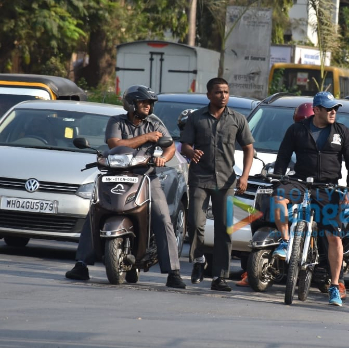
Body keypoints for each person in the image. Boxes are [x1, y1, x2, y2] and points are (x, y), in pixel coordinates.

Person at [65, 85, 186, 289]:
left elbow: (170, 146)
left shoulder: (155, 123)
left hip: (146, 177)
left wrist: (163, 159)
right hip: (115, 175)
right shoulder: (116, 121)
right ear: (131, 104)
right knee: (94, 212)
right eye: (143, 102)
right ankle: (81, 264)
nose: (148, 106)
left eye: (150, 103)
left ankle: (173, 272)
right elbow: (115, 144)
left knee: (163, 218)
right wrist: (147, 138)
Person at [271, 91, 349, 306]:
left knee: (333, 237)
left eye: (335, 109)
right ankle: (285, 242)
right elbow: (282, 156)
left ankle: (334, 286)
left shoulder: (343, 132)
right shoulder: (297, 130)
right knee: (277, 197)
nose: (333, 112)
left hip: (328, 188)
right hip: (301, 182)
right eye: (329, 109)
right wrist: (278, 181)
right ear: (316, 110)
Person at [180, 78, 254, 292]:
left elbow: (249, 147)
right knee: (195, 222)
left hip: (226, 181)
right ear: (209, 95)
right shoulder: (196, 118)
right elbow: (185, 145)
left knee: (224, 229)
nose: (223, 96)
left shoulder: (237, 119)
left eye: (226, 92)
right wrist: (191, 152)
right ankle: (199, 259)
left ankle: (220, 277)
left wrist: (245, 176)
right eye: (218, 92)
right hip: (200, 179)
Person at [236, 102, 316, 288]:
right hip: (289, 188)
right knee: (262, 212)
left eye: (307, 122)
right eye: (299, 122)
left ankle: (336, 282)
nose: (303, 127)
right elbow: (281, 159)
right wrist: (273, 173)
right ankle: (254, 267)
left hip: (313, 189)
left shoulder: (324, 141)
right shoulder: (292, 135)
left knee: (329, 231)